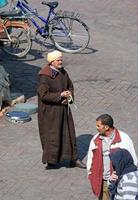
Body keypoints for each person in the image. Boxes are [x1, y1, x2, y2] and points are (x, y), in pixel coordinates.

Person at [37, 50, 86, 169]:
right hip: (50, 113)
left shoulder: (63, 72)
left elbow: (70, 86)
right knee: (52, 136)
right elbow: (43, 95)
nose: (60, 62)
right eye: (58, 60)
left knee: (69, 133)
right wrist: (60, 95)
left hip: (63, 109)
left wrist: (69, 96)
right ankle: (51, 160)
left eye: (61, 59)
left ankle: (73, 159)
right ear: (51, 62)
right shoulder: (44, 76)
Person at [87, 114, 138, 200]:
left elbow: (133, 160)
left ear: (106, 127)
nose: (96, 128)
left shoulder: (124, 139)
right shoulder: (95, 140)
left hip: (120, 182)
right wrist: (91, 175)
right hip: (103, 182)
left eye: (98, 126)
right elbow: (90, 159)